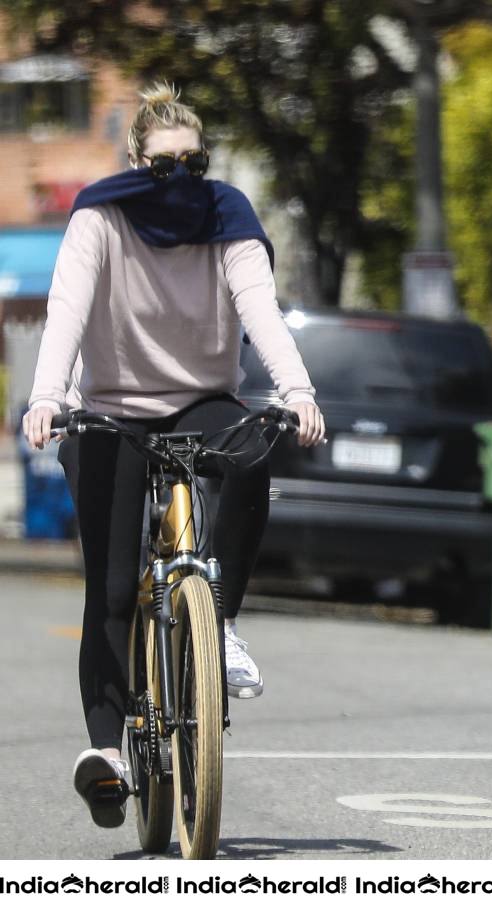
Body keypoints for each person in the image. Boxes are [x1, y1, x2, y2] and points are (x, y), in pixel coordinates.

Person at [21, 82, 325, 828]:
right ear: (135, 161)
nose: (181, 178)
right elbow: (67, 307)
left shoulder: (228, 217)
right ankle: (109, 753)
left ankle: (216, 627)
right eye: (164, 165)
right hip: (115, 408)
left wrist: (298, 389)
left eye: (195, 162)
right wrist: (45, 395)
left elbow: (261, 307)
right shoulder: (101, 214)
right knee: (115, 588)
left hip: (200, 397)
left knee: (252, 453)